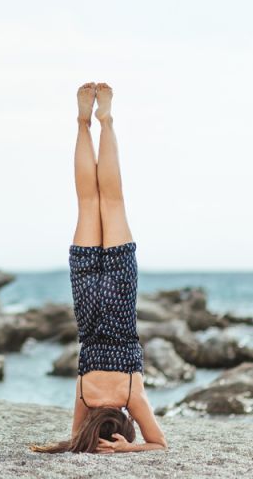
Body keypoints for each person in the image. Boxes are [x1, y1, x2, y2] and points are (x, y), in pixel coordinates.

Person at [31, 83, 168, 454]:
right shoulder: (85, 394)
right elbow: (74, 441)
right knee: (87, 202)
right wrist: (56, 447)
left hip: (120, 293)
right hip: (88, 297)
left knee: (112, 200)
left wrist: (130, 449)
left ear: (124, 424)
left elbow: (159, 444)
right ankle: (81, 123)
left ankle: (105, 121)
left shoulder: (130, 393)